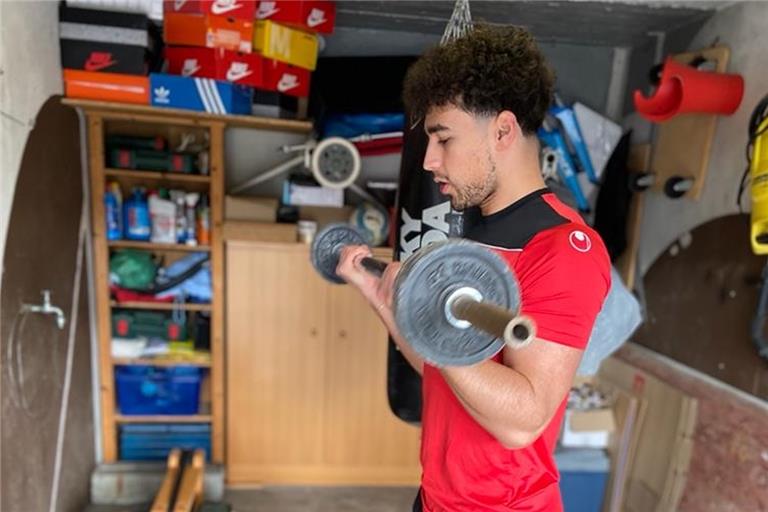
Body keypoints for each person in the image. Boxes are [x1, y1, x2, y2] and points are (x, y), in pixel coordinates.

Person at [336, 25, 611, 512]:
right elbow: (442, 369)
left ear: (502, 130)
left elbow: (522, 419)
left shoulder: (565, 250)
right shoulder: (471, 234)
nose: (430, 161)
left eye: (443, 138)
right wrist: (384, 301)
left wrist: (440, 328)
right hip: (438, 496)